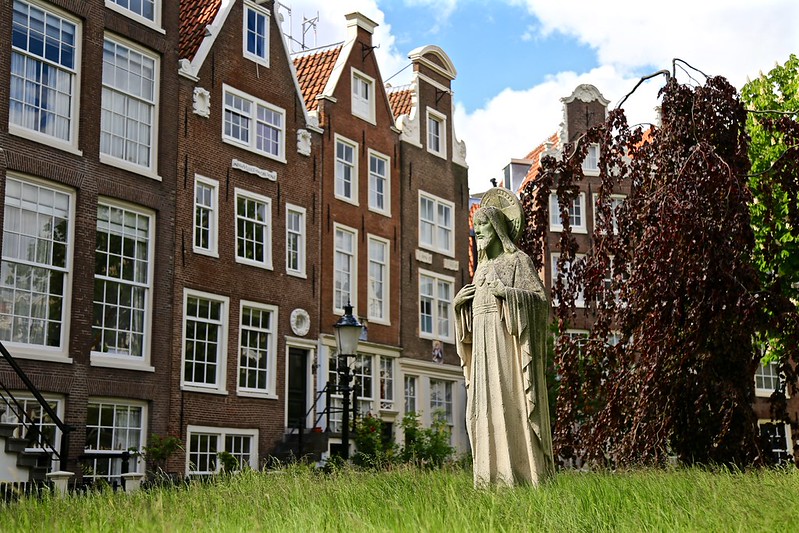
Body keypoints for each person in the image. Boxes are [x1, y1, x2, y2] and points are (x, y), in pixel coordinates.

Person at [454, 197, 554, 487]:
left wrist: (509, 294)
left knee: (510, 405)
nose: (479, 232)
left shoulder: (518, 261)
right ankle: (491, 478)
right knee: (483, 409)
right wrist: (459, 307)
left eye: (483, 225)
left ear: (498, 229)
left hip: (507, 350)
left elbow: (540, 302)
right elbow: (475, 317)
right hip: (484, 351)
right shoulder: (481, 269)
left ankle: (521, 476)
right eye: (476, 227)